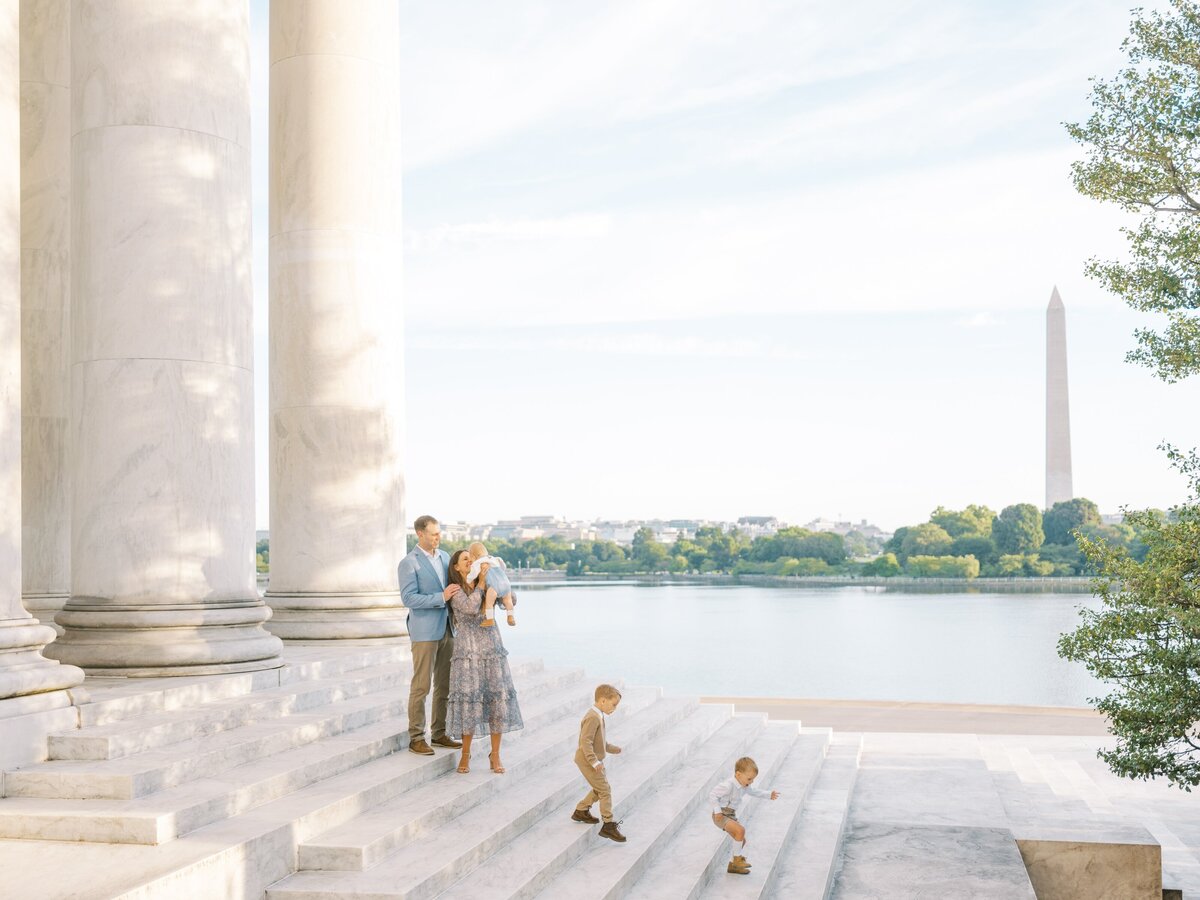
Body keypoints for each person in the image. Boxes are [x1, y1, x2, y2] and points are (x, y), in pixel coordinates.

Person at [444, 549, 524, 775]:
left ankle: (495, 754)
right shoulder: (455, 590)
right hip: (468, 651)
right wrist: (480, 584)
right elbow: (470, 608)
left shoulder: (488, 581)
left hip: (491, 647)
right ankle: (465, 754)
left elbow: (512, 599)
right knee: (469, 703)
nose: (471, 561)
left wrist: (498, 576)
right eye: (465, 560)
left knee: (496, 701)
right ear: (457, 567)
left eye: (472, 558)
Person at [398, 515, 462, 756]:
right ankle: (416, 737)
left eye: (439, 533)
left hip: (448, 628)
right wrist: (440, 597)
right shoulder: (409, 563)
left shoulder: (445, 557)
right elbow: (408, 599)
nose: (438, 537)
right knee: (421, 686)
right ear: (420, 534)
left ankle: (439, 733)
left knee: (444, 685)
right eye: (434, 533)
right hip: (424, 631)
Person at [571, 684, 626, 843]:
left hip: (594, 759)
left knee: (600, 788)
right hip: (588, 760)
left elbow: (599, 741)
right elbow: (585, 742)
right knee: (605, 790)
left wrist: (611, 748)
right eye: (613, 704)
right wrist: (594, 761)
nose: (614, 708)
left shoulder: (598, 715)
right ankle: (608, 824)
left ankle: (581, 810)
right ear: (602, 700)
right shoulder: (592, 717)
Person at [710, 756, 780, 875]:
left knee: (741, 840)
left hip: (730, 814)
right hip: (721, 814)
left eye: (752, 779)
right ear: (738, 774)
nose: (751, 782)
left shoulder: (744, 785)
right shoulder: (728, 785)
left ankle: (733, 865)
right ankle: (737, 861)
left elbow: (754, 792)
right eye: (749, 779)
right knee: (740, 830)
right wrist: (717, 811)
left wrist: (768, 794)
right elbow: (712, 794)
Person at [466, 541, 516, 627]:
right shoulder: (495, 559)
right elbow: (503, 566)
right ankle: (510, 616)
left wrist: (468, 580)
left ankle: (490, 619)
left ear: (473, 556)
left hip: (494, 586)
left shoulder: (478, 563)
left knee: (489, 602)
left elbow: (473, 574)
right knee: (508, 601)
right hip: (506, 583)